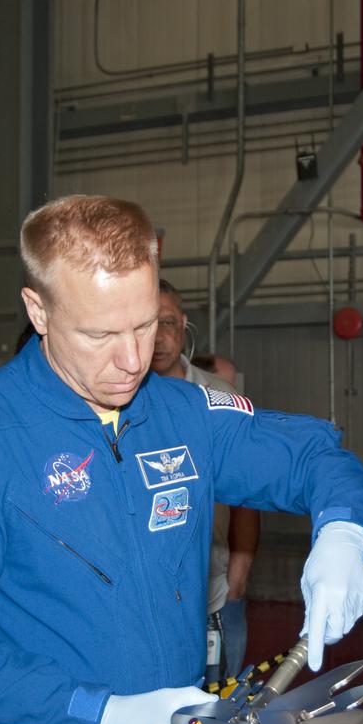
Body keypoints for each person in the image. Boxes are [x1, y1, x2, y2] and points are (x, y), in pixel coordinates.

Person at [0, 194, 363, 724]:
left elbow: (315, 458)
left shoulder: (182, 412)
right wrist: (99, 717)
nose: (132, 359)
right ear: (37, 311)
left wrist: (344, 534)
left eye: (146, 325)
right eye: (99, 334)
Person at [151, 281, 261, 681]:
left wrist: (241, 563)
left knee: (218, 696)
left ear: (183, 325)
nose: (159, 337)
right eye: (148, 323)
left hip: (212, 587)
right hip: (148, 590)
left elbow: (248, 491)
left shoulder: (220, 398)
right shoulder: (120, 395)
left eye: (167, 322)